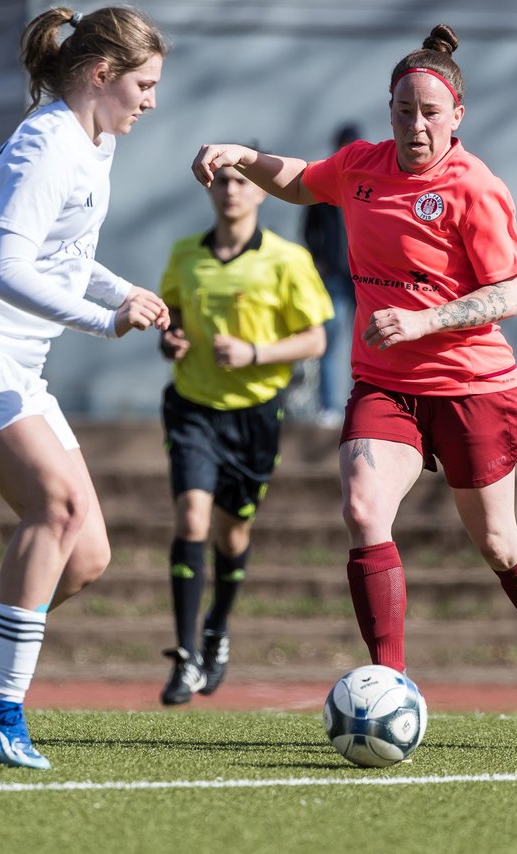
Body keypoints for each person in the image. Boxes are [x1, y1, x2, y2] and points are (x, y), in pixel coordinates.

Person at [189, 23, 517, 735]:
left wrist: (424, 320)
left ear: (457, 117)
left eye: (430, 113)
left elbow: (508, 296)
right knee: (363, 509)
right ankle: (389, 683)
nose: (415, 125)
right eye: (403, 110)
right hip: (387, 386)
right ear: (389, 111)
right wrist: (243, 157)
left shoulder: (476, 188)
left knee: (498, 543)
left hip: (473, 386)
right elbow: (302, 180)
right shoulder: (362, 167)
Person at [0, 6, 168, 769]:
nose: (151, 101)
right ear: (100, 76)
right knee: (60, 507)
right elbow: (10, 273)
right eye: (142, 85)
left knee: (84, 556)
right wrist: (104, 323)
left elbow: (66, 258)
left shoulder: (94, 141)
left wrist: (121, 293)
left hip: (14, 367)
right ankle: (0, 703)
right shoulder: (45, 145)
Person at [157, 162, 332, 706]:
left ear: (261, 192)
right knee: (191, 516)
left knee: (232, 536)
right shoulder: (186, 253)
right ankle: (184, 656)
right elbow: (172, 322)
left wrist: (256, 353)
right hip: (193, 408)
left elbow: (315, 340)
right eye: (223, 181)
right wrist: (171, 342)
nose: (231, 190)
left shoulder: (287, 259)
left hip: (255, 416)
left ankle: (217, 629)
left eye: (243, 181)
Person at [304, 122, 362, 427]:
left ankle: (363, 407)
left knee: (368, 343)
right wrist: (319, 259)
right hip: (337, 276)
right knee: (329, 337)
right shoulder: (324, 182)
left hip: (365, 277)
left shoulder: (370, 184)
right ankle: (328, 406)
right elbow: (310, 229)